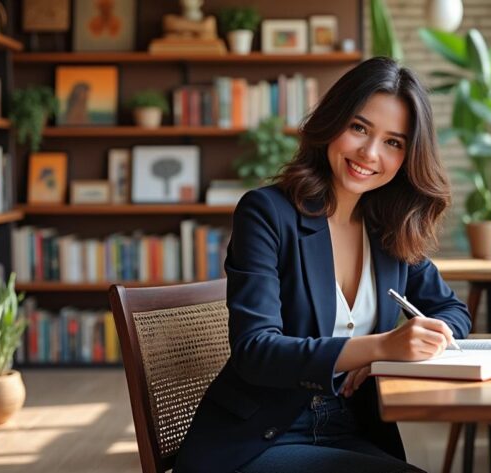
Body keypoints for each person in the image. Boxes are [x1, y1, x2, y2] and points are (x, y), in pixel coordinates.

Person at [174, 57, 472, 473]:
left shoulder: (389, 227)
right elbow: (255, 350)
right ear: (333, 122)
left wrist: (390, 355)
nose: (370, 153)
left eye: (393, 142)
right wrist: (379, 347)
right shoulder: (267, 213)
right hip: (257, 440)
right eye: (359, 128)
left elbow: (452, 311)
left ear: (408, 156)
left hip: (352, 428)